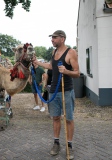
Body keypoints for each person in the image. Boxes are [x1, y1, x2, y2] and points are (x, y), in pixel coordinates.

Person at [33, 30, 80, 159]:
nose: (52, 40)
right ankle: (56, 143)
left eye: (54, 38)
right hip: (54, 91)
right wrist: (38, 63)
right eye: (51, 38)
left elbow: (77, 73)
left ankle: (69, 145)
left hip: (67, 91)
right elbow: (51, 66)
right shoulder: (54, 52)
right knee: (55, 118)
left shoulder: (71, 53)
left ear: (62, 39)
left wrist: (66, 71)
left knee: (69, 119)